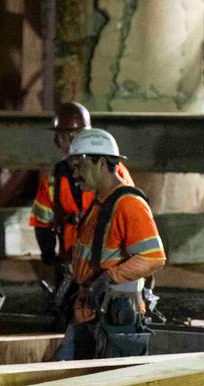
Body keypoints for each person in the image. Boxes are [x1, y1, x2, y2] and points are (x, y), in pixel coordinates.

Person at [56, 128, 165, 360]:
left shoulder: (128, 204)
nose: (74, 174)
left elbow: (153, 257)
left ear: (102, 163)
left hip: (113, 316)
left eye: (79, 166)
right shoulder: (100, 204)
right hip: (89, 310)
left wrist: (108, 278)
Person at [30, 102, 134, 323]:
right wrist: (49, 255)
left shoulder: (112, 173)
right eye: (62, 138)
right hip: (70, 264)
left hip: (107, 265)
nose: (67, 144)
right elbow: (42, 220)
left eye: (72, 137)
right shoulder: (53, 178)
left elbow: (127, 218)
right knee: (70, 319)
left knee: (107, 320)